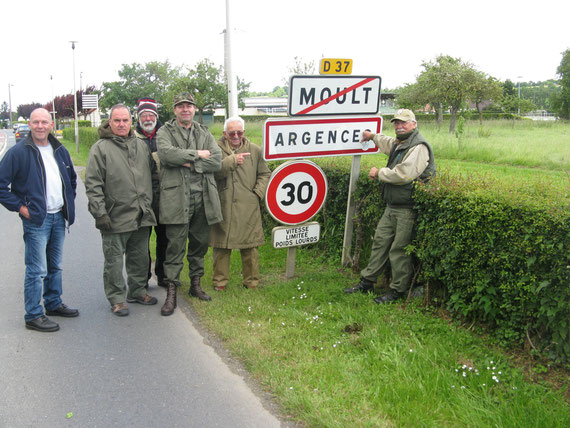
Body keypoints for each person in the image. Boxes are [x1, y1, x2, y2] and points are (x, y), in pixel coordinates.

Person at [344, 109, 436, 304]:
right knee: (380, 242)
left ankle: (398, 291)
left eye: (403, 123)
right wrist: (371, 136)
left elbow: (404, 174)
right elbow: (387, 143)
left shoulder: (419, 147)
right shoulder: (400, 142)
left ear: (414, 124)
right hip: (392, 205)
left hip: (407, 208)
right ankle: (367, 282)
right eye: (396, 123)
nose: (399, 126)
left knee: (399, 249)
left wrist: (379, 173)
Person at [0, 108, 78, 332]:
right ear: (30, 125)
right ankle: (33, 314)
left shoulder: (60, 150)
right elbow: (1, 186)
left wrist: (68, 201)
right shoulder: (18, 153)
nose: (40, 126)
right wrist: (21, 208)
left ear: (51, 125)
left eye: (44, 122)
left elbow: (71, 178)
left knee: (55, 266)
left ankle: (53, 303)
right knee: (37, 269)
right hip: (36, 220)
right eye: (36, 122)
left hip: (58, 217)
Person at [85, 104, 159, 316]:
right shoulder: (100, 148)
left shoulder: (142, 146)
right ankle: (117, 298)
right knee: (114, 262)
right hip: (114, 216)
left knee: (140, 258)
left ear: (131, 121)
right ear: (109, 122)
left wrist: (150, 204)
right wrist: (100, 213)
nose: (121, 124)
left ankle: (137, 291)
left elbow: (153, 176)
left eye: (125, 120)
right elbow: (93, 184)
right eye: (116, 120)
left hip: (141, 215)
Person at [156, 92, 222, 315]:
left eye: (189, 106)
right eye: (181, 106)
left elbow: (216, 160)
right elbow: (166, 155)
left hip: (203, 199)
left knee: (199, 245)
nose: (185, 109)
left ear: (194, 109)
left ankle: (196, 285)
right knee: (174, 247)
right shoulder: (165, 131)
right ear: (174, 110)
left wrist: (190, 163)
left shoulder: (203, 131)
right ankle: (172, 291)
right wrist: (197, 154)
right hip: (176, 200)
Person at [209, 117, 271, 290]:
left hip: (248, 205)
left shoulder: (255, 150)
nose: (236, 136)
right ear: (224, 133)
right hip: (223, 204)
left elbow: (265, 174)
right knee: (222, 246)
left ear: (244, 132)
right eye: (231, 133)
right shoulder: (214, 149)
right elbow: (209, 173)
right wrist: (230, 162)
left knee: (250, 245)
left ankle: (252, 282)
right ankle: (219, 283)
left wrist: (257, 194)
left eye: (239, 132)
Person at [134, 98, 168, 288]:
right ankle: (143, 277)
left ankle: (162, 275)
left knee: (164, 239)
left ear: (156, 116)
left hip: (164, 197)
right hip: (141, 198)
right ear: (138, 118)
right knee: (141, 241)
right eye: (143, 115)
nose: (147, 118)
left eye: (151, 115)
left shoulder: (165, 135)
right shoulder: (132, 138)